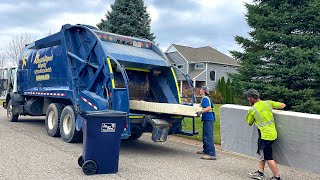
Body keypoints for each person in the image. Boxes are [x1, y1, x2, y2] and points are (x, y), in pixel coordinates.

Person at [244, 89, 286, 180]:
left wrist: (250, 113)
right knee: (261, 153)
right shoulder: (268, 103)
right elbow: (282, 105)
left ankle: (277, 177)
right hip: (273, 134)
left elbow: (249, 122)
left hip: (265, 136)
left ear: (251, 98)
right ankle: (260, 172)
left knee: (268, 157)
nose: (247, 99)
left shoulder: (253, 110)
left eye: (248, 97)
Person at [196, 86, 216, 160]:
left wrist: (200, 112)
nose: (200, 90)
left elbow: (208, 108)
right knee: (205, 135)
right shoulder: (205, 98)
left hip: (208, 119)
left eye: (201, 89)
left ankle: (212, 154)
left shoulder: (205, 98)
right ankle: (206, 150)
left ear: (204, 90)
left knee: (208, 135)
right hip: (207, 118)